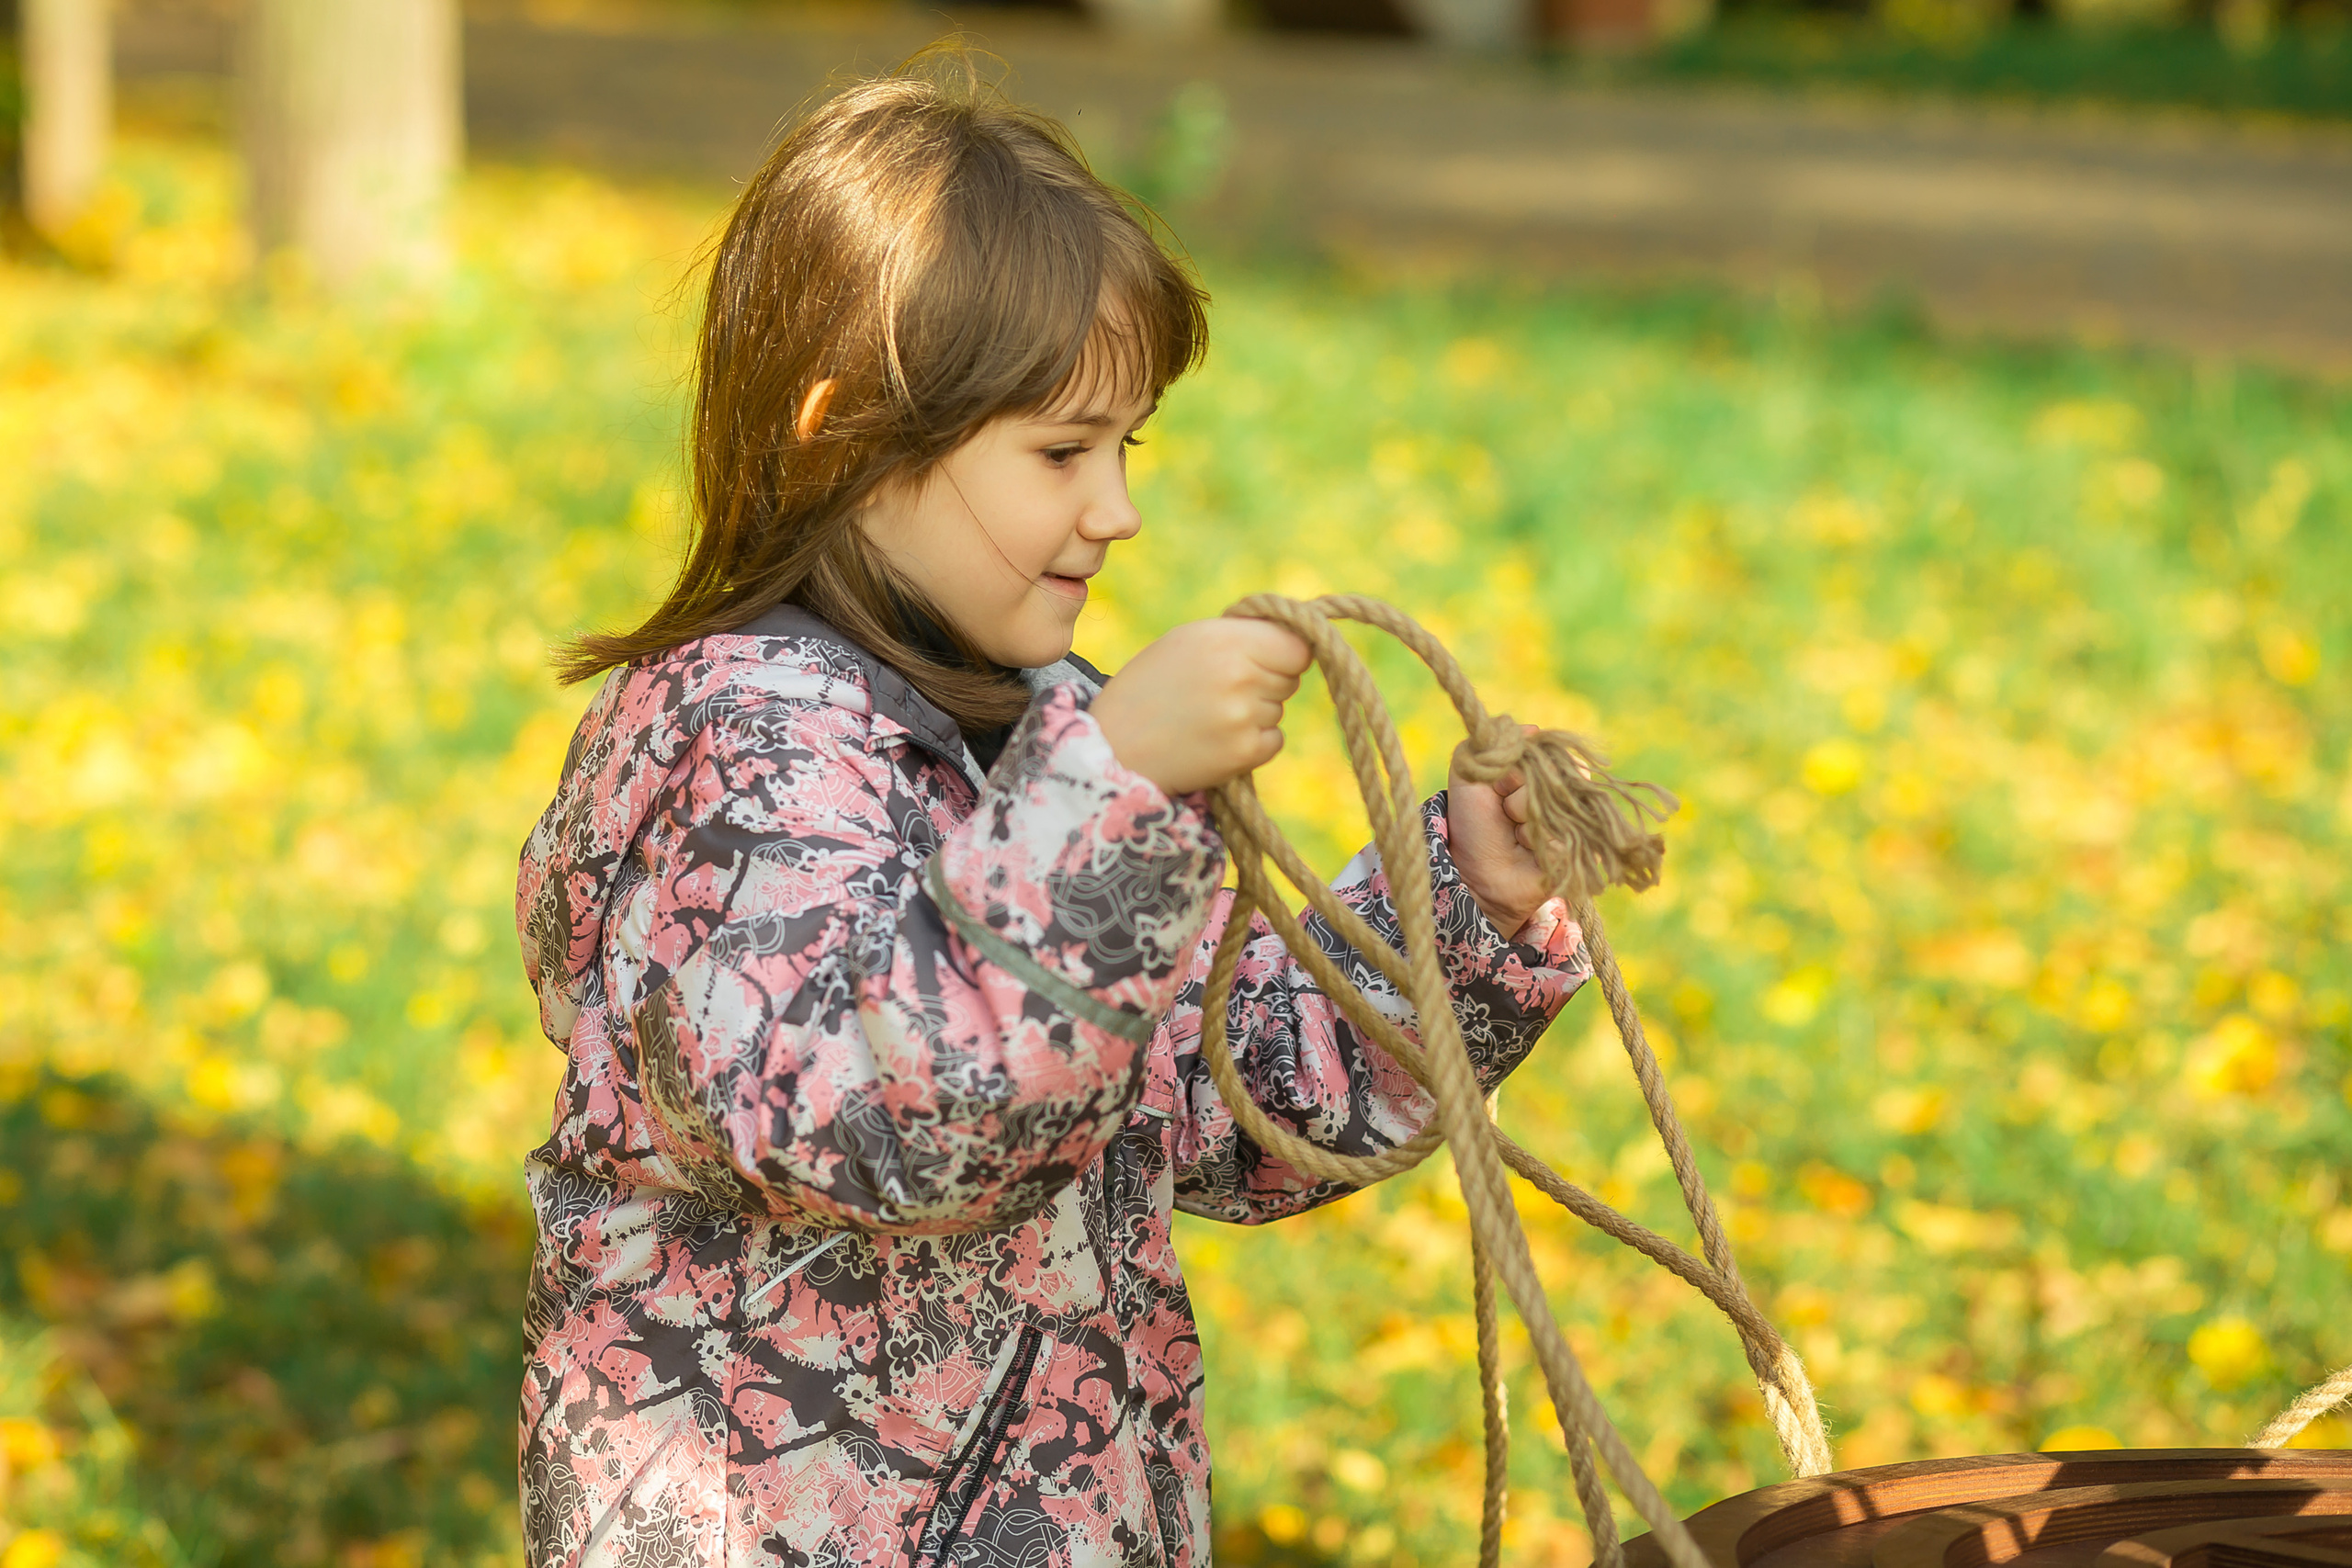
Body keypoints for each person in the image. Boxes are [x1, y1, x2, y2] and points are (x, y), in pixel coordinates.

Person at [514, 57, 1589, 1568]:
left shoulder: (1053, 737)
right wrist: (1114, 799)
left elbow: (1230, 1107)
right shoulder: (728, 755)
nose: (1121, 509)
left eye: (1128, 447)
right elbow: (894, 1118)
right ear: (847, 438)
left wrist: (1463, 904)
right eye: (1062, 452)